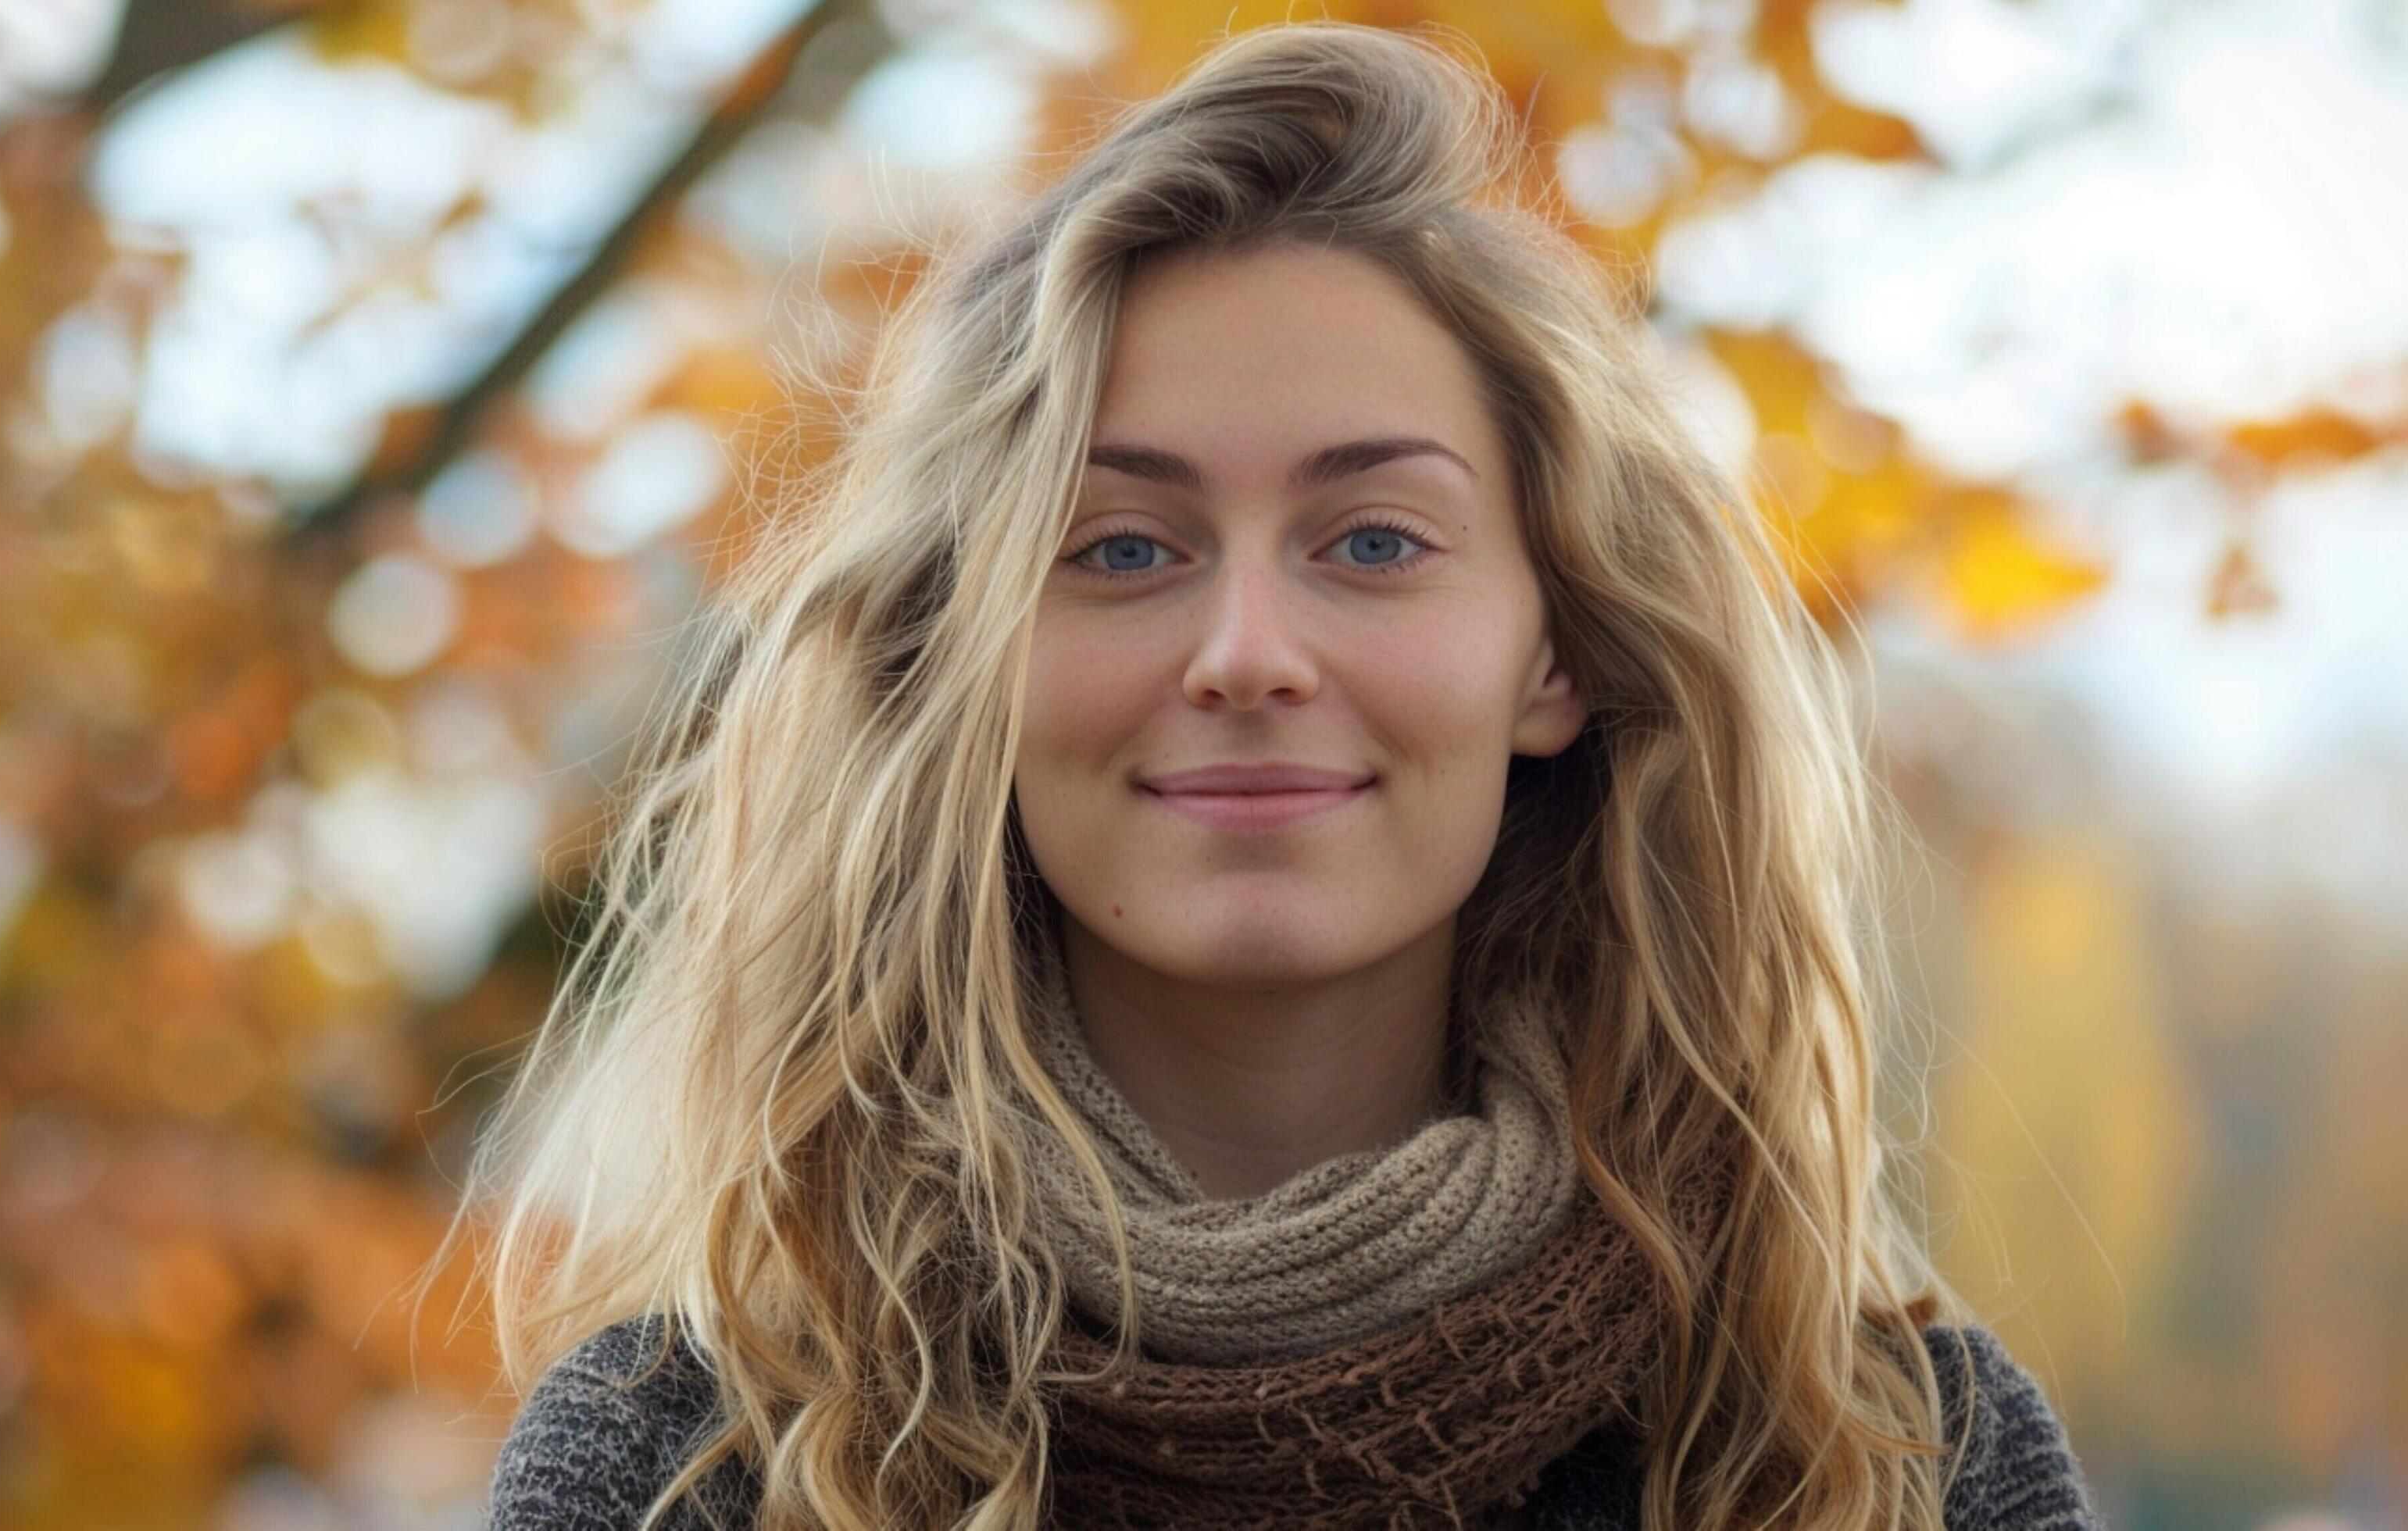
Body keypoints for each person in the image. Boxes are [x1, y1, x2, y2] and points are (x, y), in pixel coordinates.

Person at [448, 19, 2107, 1530]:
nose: (1247, 650)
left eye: (1375, 538)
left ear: (1558, 651)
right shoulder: (680, 1464)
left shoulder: (1893, 1462)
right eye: (1119, 546)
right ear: (965, 665)